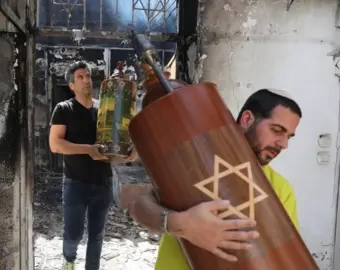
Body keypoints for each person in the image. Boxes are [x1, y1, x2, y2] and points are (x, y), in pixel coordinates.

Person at [127, 88, 302, 269]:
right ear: (247, 119)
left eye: (289, 136)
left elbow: (285, 258)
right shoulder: (198, 158)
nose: (284, 144)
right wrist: (180, 224)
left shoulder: (281, 189)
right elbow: (138, 206)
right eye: (277, 130)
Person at [49, 61, 138, 270]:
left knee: (97, 234)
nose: (86, 80)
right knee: (74, 232)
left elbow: (118, 139)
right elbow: (55, 144)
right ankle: (69, 261)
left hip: (103, 181)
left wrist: (129, 152)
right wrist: (89, 149)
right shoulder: (64, 109)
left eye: (87, 76)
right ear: (71, 85)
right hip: (75, 182)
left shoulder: (105, 109)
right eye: (80, 77)